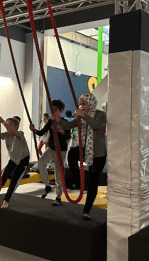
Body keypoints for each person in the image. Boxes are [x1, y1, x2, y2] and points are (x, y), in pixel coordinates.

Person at [58, 92, 107, 220]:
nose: (82, 106)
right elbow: (69, 125)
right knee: (72, 155)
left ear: (90, 103)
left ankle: (87, 210)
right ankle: (78, 182)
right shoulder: (81, 117)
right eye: (81, 104)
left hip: (98, 154)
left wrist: (83, 115)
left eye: (84, 104)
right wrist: (58, 119)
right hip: (85, 150)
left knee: (93, 181)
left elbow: (96, 125)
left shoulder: (100, 115)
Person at [0, 115, 30, 208]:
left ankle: (6, 200)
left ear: (17, 126)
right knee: (5, 174)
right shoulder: (6, 135)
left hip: (23, 159)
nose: (7, 127)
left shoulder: (20, 133)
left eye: (10, 125)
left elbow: (12, 132)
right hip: (13, 159)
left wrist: (3, 122)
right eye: (7, 125)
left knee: (14, 180)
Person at [30, 100, 70, 206]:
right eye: (52, 110)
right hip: (51, 148)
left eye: (55, 110)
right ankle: (47, 185)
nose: (53, 112)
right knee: (41, 163)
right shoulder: (51, 122)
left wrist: (61, 131)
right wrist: (34, 130)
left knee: (58, 173)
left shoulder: (65, 122)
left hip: (61, 151)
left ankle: (58, 197)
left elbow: (68, 136)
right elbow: (42, 132)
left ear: (61, 111)